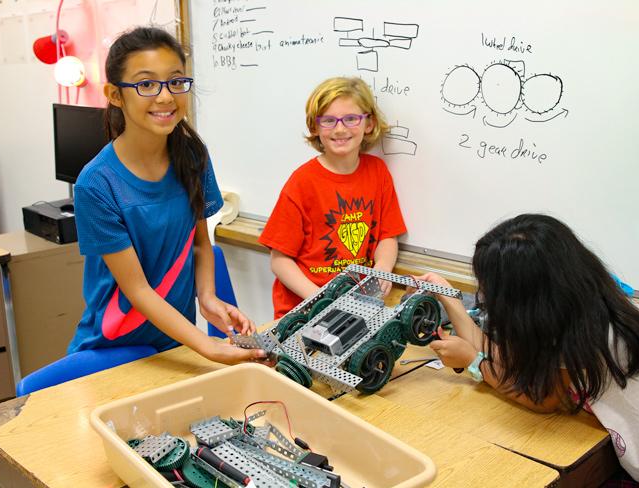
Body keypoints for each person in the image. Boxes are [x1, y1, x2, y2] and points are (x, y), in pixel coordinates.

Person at [417, 214, 639, 487]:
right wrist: (448, 296)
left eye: (489, 288)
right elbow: (519, 365)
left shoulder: (588, 338)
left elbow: (540, 397)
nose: (483, 294)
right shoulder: (588, 309)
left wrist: (475, 363)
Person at [67, 27, 266, 364]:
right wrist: (208, 346)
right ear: (115, 95)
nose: (165, 97)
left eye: (176, 81)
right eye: (146, 84)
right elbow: (138, 290)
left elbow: (200, 243)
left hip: (175, 345)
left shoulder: (192, 157)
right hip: (111, 350)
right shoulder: (96, 184)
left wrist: (207, 297)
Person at [259, 77, 407, 318]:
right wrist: (322, 300)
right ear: (315, 128)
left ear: (368, 123)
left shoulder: (378, 172)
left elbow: (388, 236)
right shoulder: (302, 182)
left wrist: (382, 269)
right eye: (329, 120)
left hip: (358, 306)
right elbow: (279, 261)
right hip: (305, 309)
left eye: (351, 119)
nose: (340, 129)